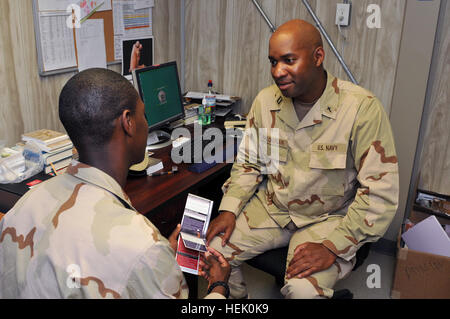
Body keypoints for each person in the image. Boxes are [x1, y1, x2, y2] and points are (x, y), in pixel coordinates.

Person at [206, 19, 399, 299]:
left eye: (289, 60)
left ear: (318, 56)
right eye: (273, 62)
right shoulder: (265, 102)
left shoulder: (361, 109)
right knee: (213, 252)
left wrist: (333, 245)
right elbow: (248, 164)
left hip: (328, 218)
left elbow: (379, 194)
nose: (278, 71)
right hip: (273, 208)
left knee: (301, 291)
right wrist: (228, 209)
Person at [0, 68, 230, 299]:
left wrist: (157, 263)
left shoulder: (21, 208)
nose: (146, 122)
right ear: (128, 122)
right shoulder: (141, 245)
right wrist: (219, 286)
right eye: (144, 114)